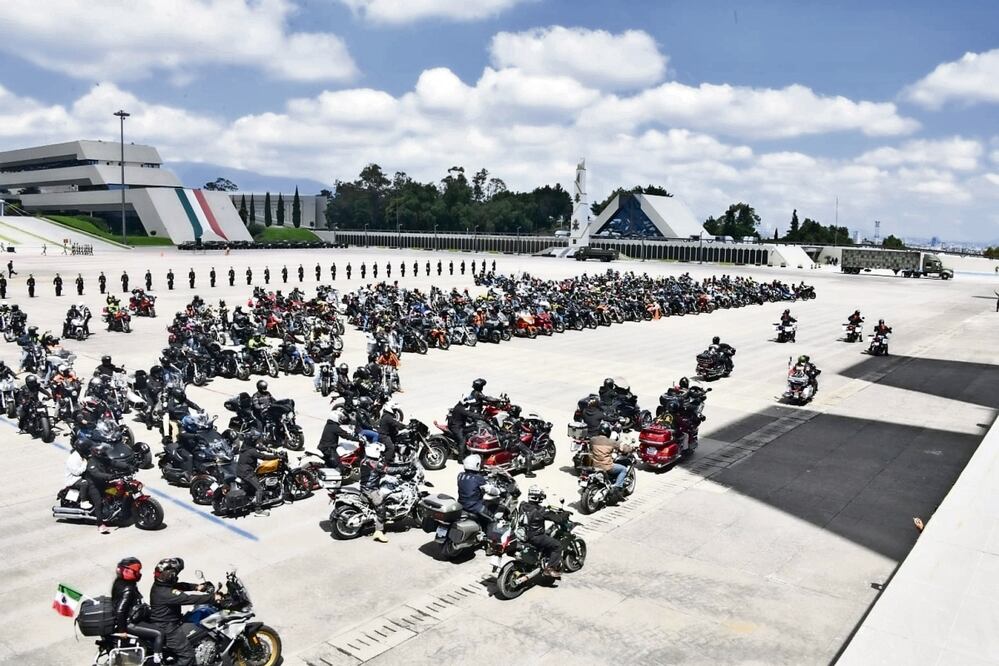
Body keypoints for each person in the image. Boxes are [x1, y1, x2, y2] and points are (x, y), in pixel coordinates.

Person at [149, 558, 214, 666]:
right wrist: (213, 598)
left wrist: (197, 587)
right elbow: (189, 599)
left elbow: (179, 586)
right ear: (171, 576)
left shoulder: (161, 585)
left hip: (168, 623)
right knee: (188, 656)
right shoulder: (165, 593)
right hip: (168, 629)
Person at [111, 558, 164, 664]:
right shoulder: (128, 589)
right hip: (130, 623)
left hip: (131, 618)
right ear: (129, 572)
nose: (139, 574)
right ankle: (157, 659)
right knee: (159, 633)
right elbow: (120, 611)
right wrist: (122, 631)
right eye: (137, 571)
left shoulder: (120, 582)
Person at [359, 441, 409, 543]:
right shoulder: (375, 464)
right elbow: (388, 470)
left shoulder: (364, 460)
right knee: (381, 507)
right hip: (371, 490)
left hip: (365, 486)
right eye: (380, 452)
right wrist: (403, 469)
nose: (381, 454)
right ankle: (378, 531)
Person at [520, 485, 566, 577]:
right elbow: (558, 519)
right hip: (536, 537)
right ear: (538, 497)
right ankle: (549, 568)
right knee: (557, 546)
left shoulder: (522, 505)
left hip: (523, 534)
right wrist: (564, 515)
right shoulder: (541, 510)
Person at [236, 432, 283, 515]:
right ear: (253, 440)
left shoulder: (245, 447)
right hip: (247, 473)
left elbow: (259, 448)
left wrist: (269, 449)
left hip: (240, 470)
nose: (258, 441)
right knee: (259, 489)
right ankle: (258, 509)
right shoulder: (252, 451)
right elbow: (263, 457)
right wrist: (277, 457)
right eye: (257, 439)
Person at [590, 422, 633, 501]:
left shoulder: (593, 440)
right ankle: (617, 488)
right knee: (623, 469)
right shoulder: (611, 442)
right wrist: (631, 448)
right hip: (606, 467)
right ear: (608, 432)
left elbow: (591, 449)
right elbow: (624, 448)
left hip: (595, 465)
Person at [83, 443, 116, 534]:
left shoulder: (102, 459)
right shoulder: (92, 462)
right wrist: (109, 476)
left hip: (103, 484)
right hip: (93, 486)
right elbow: (96, 474)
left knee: (116, 492)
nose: (104, 453)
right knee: (98, 503)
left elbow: (114, 463)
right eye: (102, 451)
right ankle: (100, 524)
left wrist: (128, 466)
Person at [318, 405, 361, 470]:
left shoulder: (330, 425)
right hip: (328, 449)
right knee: (339, 466)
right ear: (335, 418)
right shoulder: (334, 427)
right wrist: (357, 439)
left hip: (326, 447)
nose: (341, 419)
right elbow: (345, 435)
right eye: (340, 418)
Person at [457, 454, 494, 528]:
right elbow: (489, 489)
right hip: (474, 507)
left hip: (461, 504)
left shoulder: (460, 475)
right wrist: (497, 491)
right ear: (476, 465)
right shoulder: (478, 479)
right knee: (493, 520)